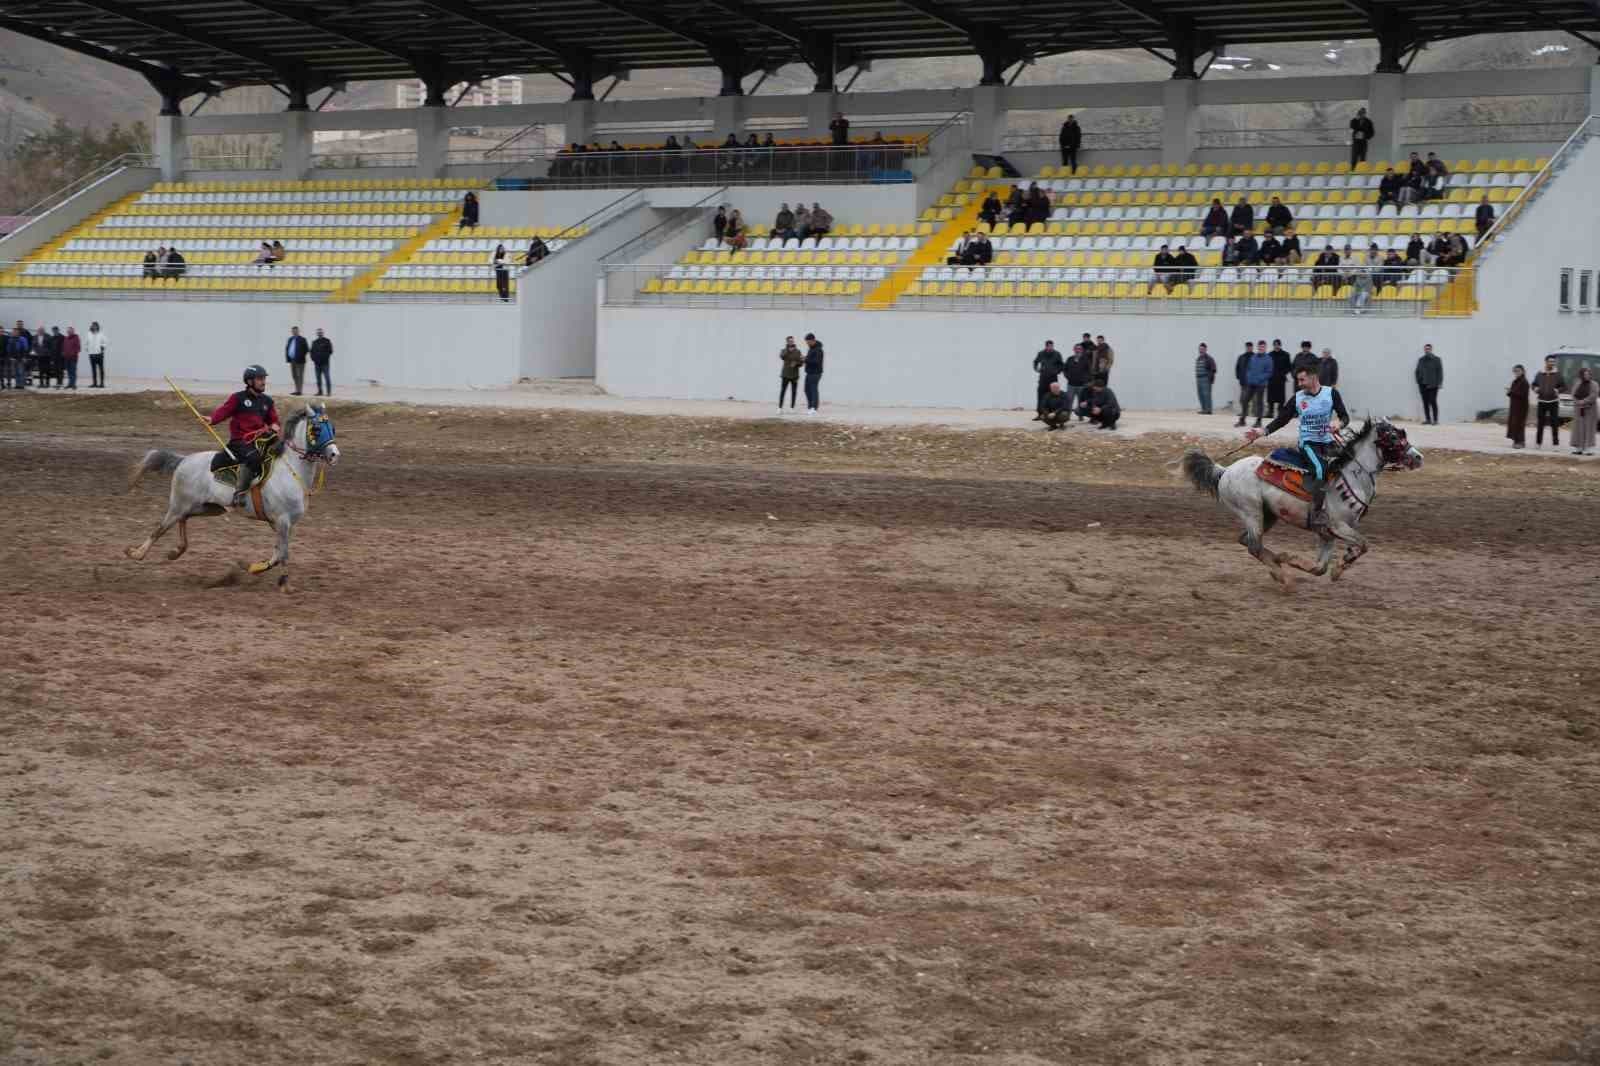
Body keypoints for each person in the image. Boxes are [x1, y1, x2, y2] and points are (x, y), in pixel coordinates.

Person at [1245, 363, 1351, 534]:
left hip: (1329, 442)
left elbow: (1345, 416)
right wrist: (1263, 431)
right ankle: (1318, 513)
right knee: (1320, 469)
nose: (1299, 383)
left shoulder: (1331, 394)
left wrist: (1339, 423)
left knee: (1350, 464)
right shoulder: (1298, 398)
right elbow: (1282, 419)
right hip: (1308, 443)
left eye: (1302, 380)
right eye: (1298, 380)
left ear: (1313, 377)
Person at [208, 365, 282, 507]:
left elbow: (274, 420)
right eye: (260, 379)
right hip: (240, 441)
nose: (263, 382)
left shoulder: (267, 401)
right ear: (249, 381)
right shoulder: (238, 398)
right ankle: (239, 493)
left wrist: (275, 427)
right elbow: (223, 412)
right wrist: (212, 420)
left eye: (264, 378)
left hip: (260, 440)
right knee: (254, 457)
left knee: (278, 452)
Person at [1531, 356, 1566, 447]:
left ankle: (1555, 444)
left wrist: (1558, 390)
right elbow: (1533, 384)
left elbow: (1564, 386)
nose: (1552, 363)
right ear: (1546, 362)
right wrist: (1535, 389)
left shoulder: (1558, 374)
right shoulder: (1540, 373)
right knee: (1540, 423)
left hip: (1553, 401)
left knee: (1554, 424)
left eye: (1553, 362)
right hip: (1542, 401)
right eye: (1550, 361)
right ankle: (1538, 443)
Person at [1237, 342, 1273, 428]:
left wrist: (1260, 378)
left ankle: (1258, 421)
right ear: (1258, 347)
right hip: (1251, 383)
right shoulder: (1253, 357)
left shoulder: (1268, 359)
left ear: (1265, 348)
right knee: (1245, 400)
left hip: (1261, 384)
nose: (1261, 348)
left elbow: (1269, 372)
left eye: (1263, 347)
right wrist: (1249, 377)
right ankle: (1242, 420)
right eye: (1260, 347)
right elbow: (1249, 369)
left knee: (1259, 403)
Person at [1032, 340, 1064, 420]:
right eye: (1049, 346)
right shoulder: (1041, 353)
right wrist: (1036, 369)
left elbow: (1061, 365)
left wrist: (1057, 371)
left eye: (1051, 346)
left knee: (1053, 397)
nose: (1050, 348)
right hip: (1043, 378)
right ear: (1046, 346)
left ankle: (1053, 414)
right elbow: (1035, 361)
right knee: (1041, 396)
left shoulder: (1057, 354)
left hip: (1053, 379)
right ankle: (1040, 414)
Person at [1570, 367, 1597, 456]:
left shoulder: (1594, 384)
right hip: (1579, 410)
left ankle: (1589, 449)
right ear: (1581, 375)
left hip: (1590, 410)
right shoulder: (1577, 383)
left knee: (1589, 429)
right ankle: (1579, 448)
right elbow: (1573, 394)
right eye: (1585, 374)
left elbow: (1594, 395)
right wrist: (1578, 402)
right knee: (1579, 429)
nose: (1587, 376)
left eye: (1588, 374)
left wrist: (1583, 401)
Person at [1414, 343, 1443, 425]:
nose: (1427, 350)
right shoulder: (1421, 360)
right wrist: (1418, 381)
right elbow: (1417, 371)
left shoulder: (1437, 359)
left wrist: (1440, 383)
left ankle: (1435, 420)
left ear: (1431, 349)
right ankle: (1428, 420)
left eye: (1428, 349)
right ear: (1424, 350)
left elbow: (1440, 372)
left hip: (1433, 384)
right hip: (1423, 384)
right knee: (1425, 402)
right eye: (1426, 349)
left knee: (1433, 401)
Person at [1063, 343, 1092, 418]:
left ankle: (1080, 416)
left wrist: (1085, 380)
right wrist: (1068, 377)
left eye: (1079, 349)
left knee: (1081, 401)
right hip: (1071, 385)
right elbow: (1065, 369)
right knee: (1069, 401)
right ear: (1074, 350)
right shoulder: (1069, 359)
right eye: (1076, 349)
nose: (1078, 350)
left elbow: (1089, 372)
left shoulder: (1086, 359)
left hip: (1081, 385)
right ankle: (1067, 416)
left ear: (1082, 350)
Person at [1505, 364, 1529, 449]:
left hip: (1521, 407)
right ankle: (1516, 441)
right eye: (1515, 371)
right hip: (1514, 406)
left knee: (1519, 424)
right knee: (1514, 424)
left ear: (1522, 371)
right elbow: (1513, 394)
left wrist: (1510, 392)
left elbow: (1521, 394)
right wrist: (1509, 392)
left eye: (1518, 371)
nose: (1516, 373)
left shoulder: (1524, 382)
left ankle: (1521, 442)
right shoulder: (1515, 381)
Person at [778, 336, 804, 413]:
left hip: (795, 375)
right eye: (789, 341)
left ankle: (792, 408)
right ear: (787, 342)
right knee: (783, 391)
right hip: (785, 374)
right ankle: (780, 408)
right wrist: (788, 350)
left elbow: (801, 362)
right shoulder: (783, 350)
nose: (791, 342)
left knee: (794, 391)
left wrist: (796, 364)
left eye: (792, 341)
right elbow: (782, 356)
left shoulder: (798, 351)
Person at [1267, 340, 1292, 418]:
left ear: (1280, 345)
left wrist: (1283, 373)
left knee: (1281, 397)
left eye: (1278, 345)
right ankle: (1270, 412)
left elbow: (1289, 367)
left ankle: (1280, 413)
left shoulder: (1285, 355)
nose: (1276, 346)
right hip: (1271, 379)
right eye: (1275, 345)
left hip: (1281, 379)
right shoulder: (1269, 355)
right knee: (1270, 396)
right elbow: (1267, 367)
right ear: (1273, 345)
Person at [802, 333, 824, 416]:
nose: (807, 343)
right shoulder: (811, 349)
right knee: (806, 390)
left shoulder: (818, 350)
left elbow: (816, 362)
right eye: (806, 342)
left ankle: (814, 408)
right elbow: (810, 359)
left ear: (813, 340)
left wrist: (806, 360)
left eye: (808, 342)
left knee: (813, 390)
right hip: (809, 372)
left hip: (816, 373)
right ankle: (810, 407)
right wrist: (805, 359)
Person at [284, 325, 309, 396]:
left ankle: (299, 391)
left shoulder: (302, 339)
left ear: (298, 331)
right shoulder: (290, 339)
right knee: (294, 375)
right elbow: (287, 348)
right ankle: (296, 389)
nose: (294, 332)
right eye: (293, 331)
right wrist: (288, 357)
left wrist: (300, 356)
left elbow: (306, 349)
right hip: (292, 360)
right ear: (292, 332)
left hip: (300, 361)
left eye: (296, 331)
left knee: (300, 376)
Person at [310, 328, 333, 396]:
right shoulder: (314, 342)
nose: (319, 333)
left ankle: (328, 392)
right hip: (317, 363)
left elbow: (330, 351)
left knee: (327, 377)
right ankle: (320, 391)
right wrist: (314, 359)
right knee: (318, 378)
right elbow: (312, 352)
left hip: (325, 363)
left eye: (321, 332)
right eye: (318, 332)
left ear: (323, 333)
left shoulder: (327, 341)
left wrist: (324, 357)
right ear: (317, 334)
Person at [1195, 342, 1216, 415]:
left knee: (1206, 395)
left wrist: (1210, 378)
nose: (1201, 350)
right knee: (1200, 394)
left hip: (1205, 379)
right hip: (1199, 379)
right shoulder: (1198, 358)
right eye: (1200, 349)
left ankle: (1208, 410)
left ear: (1205, 349)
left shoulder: (1209, 358)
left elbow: (1213, 369)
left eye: (1202, 349)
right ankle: (1204, 409)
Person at [7, 324, 30, 390]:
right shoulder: (10, 340)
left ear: (18, 332)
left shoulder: (22, 339)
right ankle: (17, 385)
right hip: (13, 358)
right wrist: (11, 357)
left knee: (21, 372)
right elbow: (8, 349)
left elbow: (26, 348)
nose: (14, 333)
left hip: (21, 358)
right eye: (13, 332)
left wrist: (24, 357)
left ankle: (22, 385)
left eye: (15, 332)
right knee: (16, 372)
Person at [84, 322, 107, 388]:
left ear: (97, 326)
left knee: (101, 369)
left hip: (99, 354)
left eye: (95, 325)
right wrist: (87, 349)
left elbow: (105, 342)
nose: (94, 327)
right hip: (91, 354)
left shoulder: (101, 334)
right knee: (93, 369)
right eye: (93, 325)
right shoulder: (88, 334)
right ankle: (94, 383)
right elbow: (86, 343)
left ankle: (102, 383)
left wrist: (102, 347)